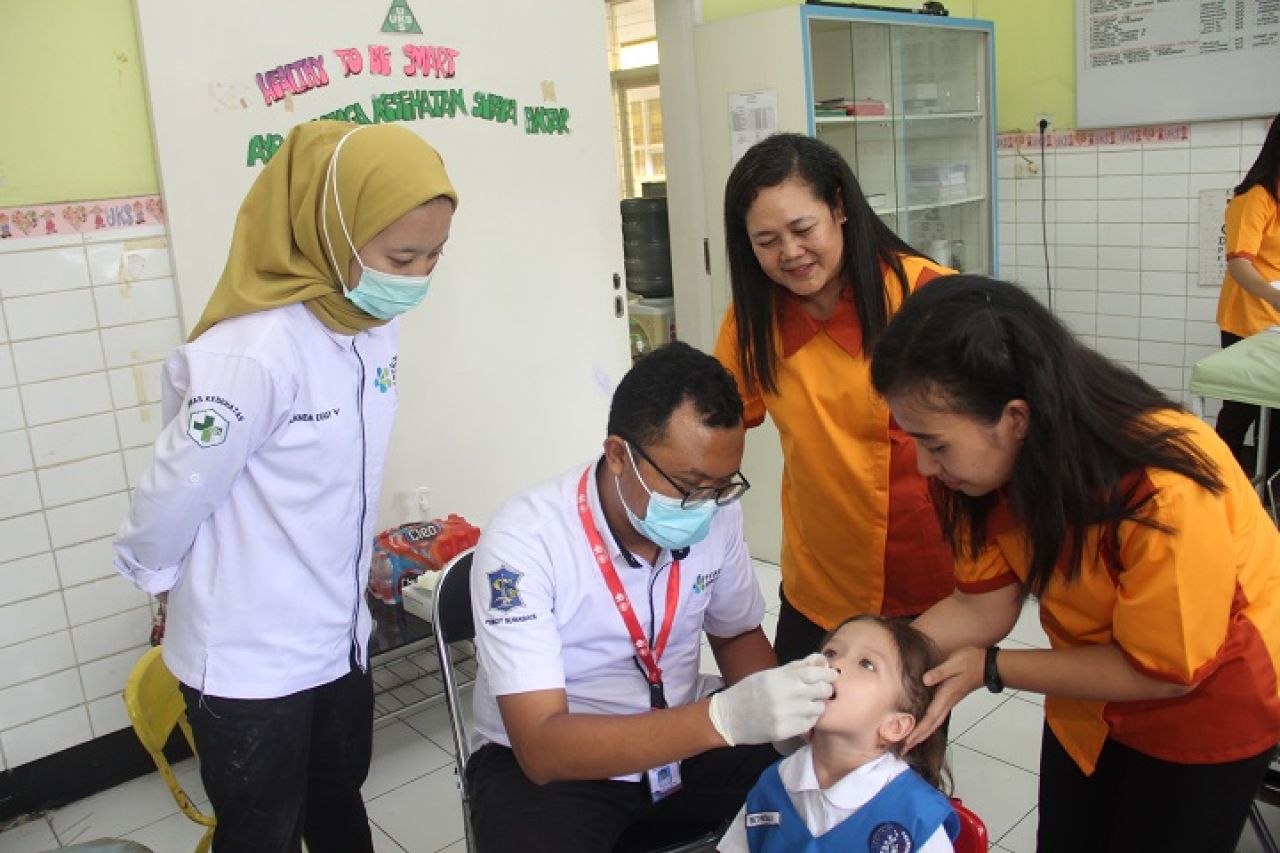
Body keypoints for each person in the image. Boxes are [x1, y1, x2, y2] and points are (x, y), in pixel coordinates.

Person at [113, 121, 458, 853]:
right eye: (402, 255)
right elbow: (174, 492)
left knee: (338, 805)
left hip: (337, 638)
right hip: (251, 657)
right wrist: (161, 581)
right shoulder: (254, 353)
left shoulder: (369, 323)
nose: (419, 275)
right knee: (262, 832)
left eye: (434, 254)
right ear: (332, 229)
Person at [869, 274, 1280, 852]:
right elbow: (977, 603)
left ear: (1015, 417)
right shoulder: (989, 470)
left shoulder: (1163, 487)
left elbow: (1164, 671)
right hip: (1090, 696)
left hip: (1207, 709)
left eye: (935, 444)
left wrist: (992, 668)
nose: (926, 467)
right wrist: (876, 665)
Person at [467, 341, 838, 853]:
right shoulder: (524, 542)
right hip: (563, 766)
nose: (705, 506)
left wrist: (783, 724)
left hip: (684, 743)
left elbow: (735, 633)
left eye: (721, 486)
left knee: (833, 792)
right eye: (688, 486)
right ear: (619, 455)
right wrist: (725, 718)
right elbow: (541, 746)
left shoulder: (715, 512)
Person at [714, 132, 955, 664]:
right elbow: (716, 424)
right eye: (766, 240)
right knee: (807, 733)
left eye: (804, 229)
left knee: (902, 738)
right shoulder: (753, 322)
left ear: (840, 208)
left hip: (924, 575)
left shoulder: (924, 298)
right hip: (819, 579)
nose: (790, 253)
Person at [718, 615, 958, 853]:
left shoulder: (915, 814)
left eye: (867, 664)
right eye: (831, 653)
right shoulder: (774, 784)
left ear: (894, 726)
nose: (834, 665)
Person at [1216, 113, 1280, 488]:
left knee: (1277, 411)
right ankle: (1220, 482)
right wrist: (1274, 297)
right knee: (1241, 411)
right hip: (1247, 321)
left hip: (1274, 324)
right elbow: (1240, 265)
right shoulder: (1254, 198)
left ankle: (1269, 489)